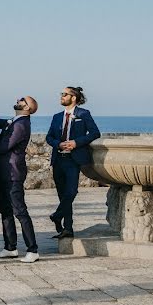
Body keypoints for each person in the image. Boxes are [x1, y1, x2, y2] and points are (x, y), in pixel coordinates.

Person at [0, 92, 40, 263]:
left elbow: (4, 146)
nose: (17, 100)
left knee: (19, 211)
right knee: (4, 208)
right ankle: (10, 247)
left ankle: (32, 250)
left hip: (13, 173)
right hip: (5, 172)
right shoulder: (15, 121)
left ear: (27, 108)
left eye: (22, 100)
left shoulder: (21, 125)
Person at [46, 86, 101, 239]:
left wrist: (77, 143)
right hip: (58, 159)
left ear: (74, 98)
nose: (61, 96)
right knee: (62, 195)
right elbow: (49, 137)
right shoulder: (57, 116)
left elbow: (95, 133)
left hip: (73, 160)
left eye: (65, 94)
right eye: (61, 94)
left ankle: (57, 216)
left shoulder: (83, 114)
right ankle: (67, 228)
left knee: (71, 192)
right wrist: (58, 144)